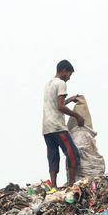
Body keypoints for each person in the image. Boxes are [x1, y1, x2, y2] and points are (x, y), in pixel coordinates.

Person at [42, 59, 84, 188]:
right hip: (57, 127)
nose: (69, 78)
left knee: (53, 156)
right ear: (64, 71)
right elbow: (60, 107)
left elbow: (56, 104)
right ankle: (71, 185)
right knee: (73, 154)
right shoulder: (61, 83)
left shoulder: (48, 84)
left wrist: (70, 99)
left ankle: (53, 186)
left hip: (46, 128)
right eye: (69, 74)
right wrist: (77, 116)